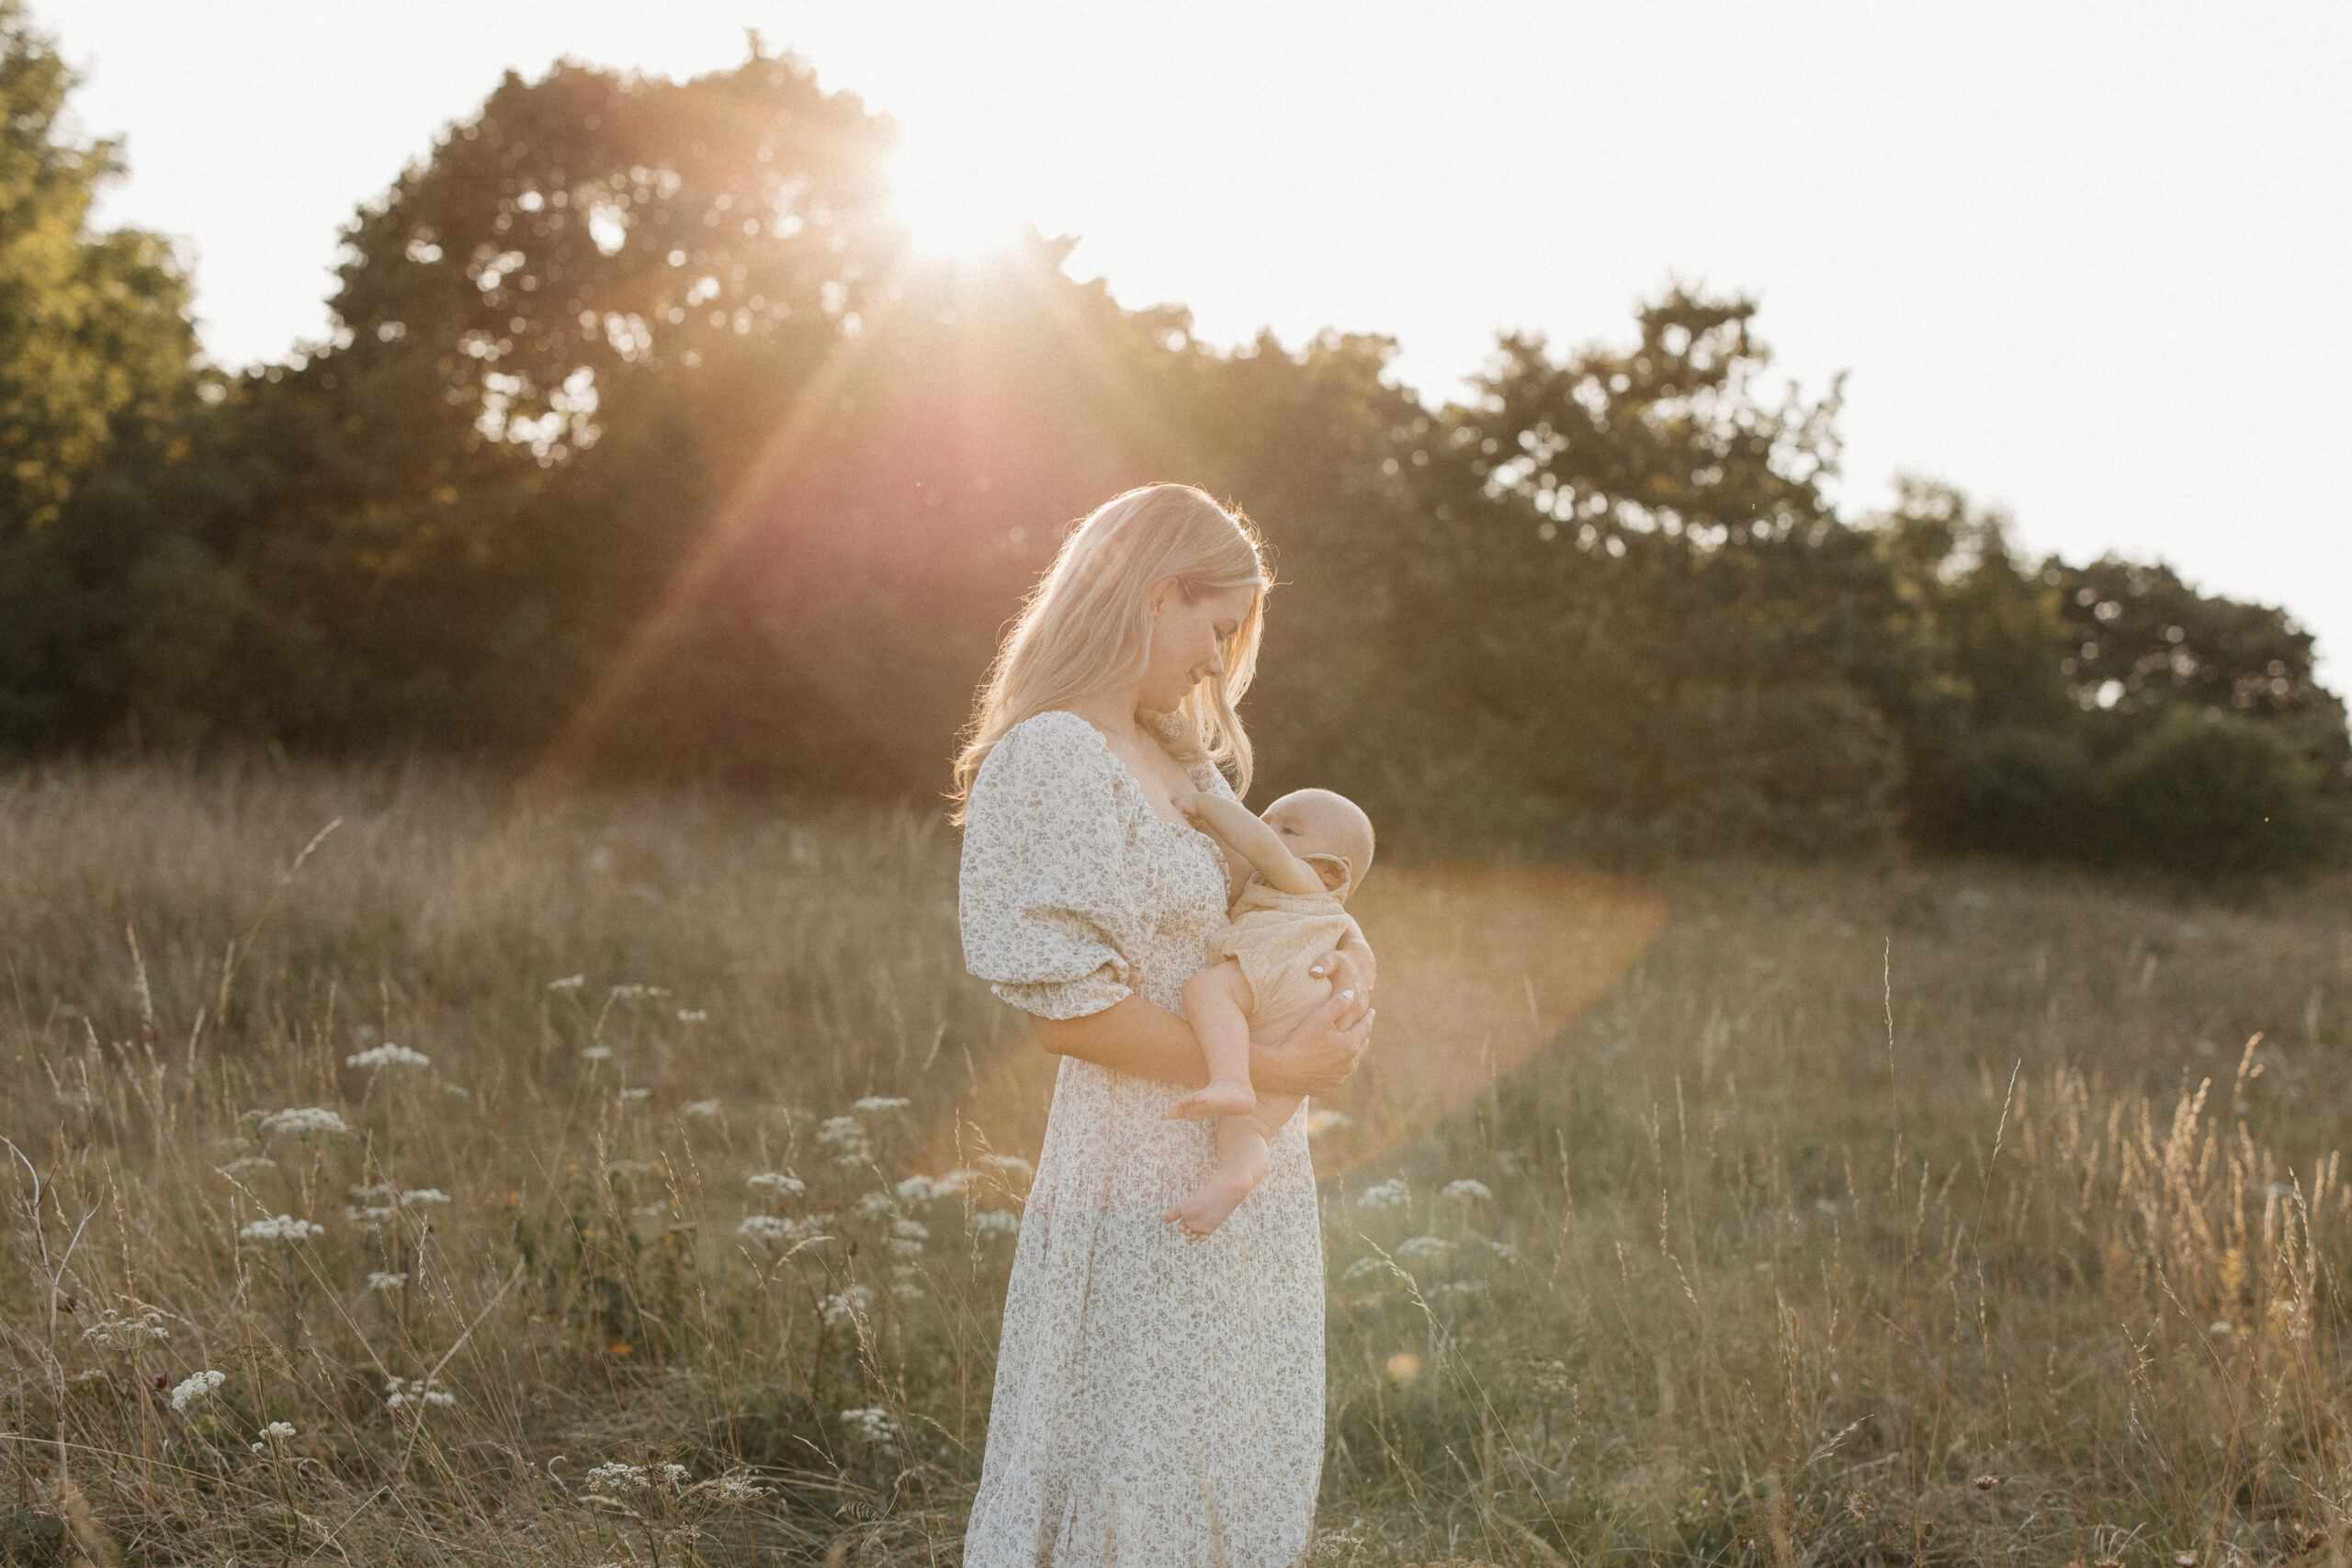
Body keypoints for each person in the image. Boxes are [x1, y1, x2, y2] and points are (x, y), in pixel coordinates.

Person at [954, 483, 1375, 1568]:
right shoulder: (1051, 757)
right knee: (1129, 1467)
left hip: (1246, 1157)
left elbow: (1250, 925)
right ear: (1154, 594)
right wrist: (1275, 1060)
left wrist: (1318, 1004)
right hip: (1136, 1160)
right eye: (1214, 626)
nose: (1216, 663)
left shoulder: (1174, 756)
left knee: (1226, 1463)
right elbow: (1071, 1014)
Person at [1164, 787, 1375, 1239]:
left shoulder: (1304, 880)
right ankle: (1236, 1176)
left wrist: (1207, 806)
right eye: (1267, 818)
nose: (1267, 830)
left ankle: (1231, 1078)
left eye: (1289, 828)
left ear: (1331, 869)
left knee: (1206, 989)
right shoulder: (1322, 909)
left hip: (1278, 984)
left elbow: (1256, 843)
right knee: (1252, 1126)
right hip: (1300, 1020)